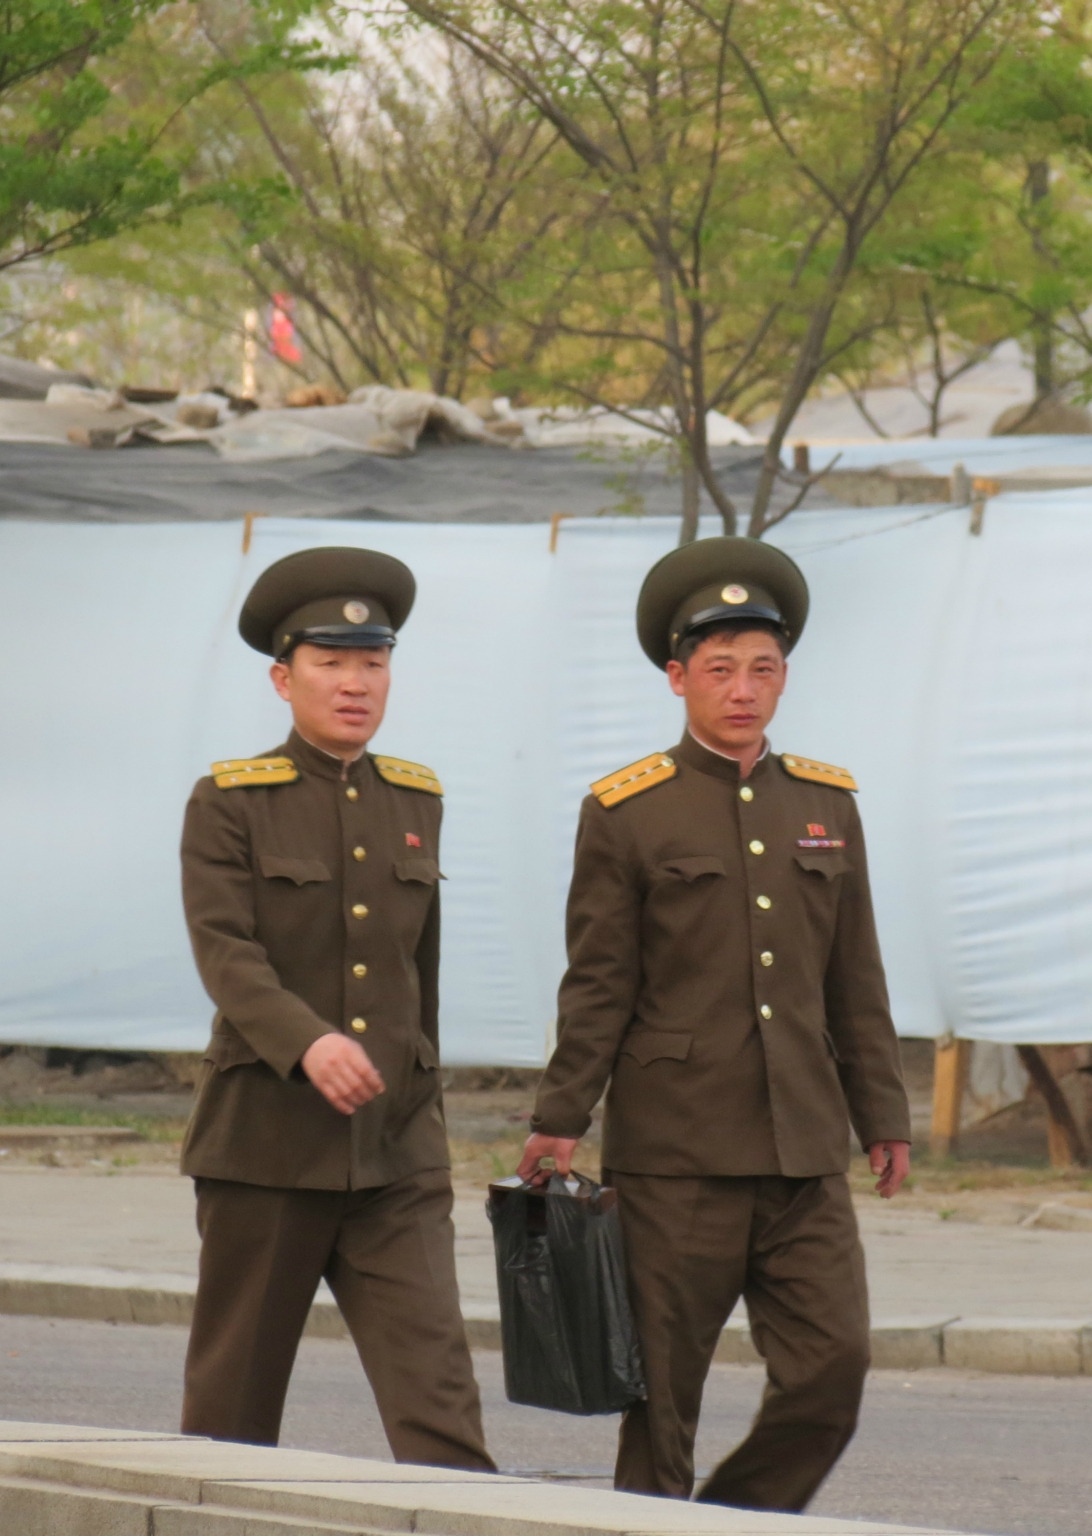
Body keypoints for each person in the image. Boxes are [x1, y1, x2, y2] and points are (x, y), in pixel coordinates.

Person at [517, 535, 912, 1511]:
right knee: (660, 1403)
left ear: (784, 679)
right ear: (676, 676)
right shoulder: (625, 813)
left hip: (801, 1148)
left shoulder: (826, 804)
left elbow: (854, 976)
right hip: (675, 1155)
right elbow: (597, 982)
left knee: (832, 1371)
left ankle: (735, 1522)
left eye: (763, 670)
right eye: (720, 669)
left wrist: (883, 1116)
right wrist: (561, 1113)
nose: (743, 690)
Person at [176, 545, 493, 1469]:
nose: (356, 682)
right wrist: (306, 1043)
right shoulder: (230, 801)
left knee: (441, 1408)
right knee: (231, 1419)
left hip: (395, 1155)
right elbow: (226, 954)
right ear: (284, 678)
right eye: (331, 662)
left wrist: (421, 1085)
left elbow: (417, 968)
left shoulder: (416, 799)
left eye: (373, 662)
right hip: (266, 1146)